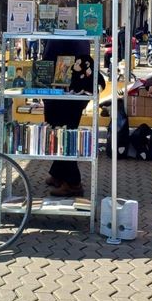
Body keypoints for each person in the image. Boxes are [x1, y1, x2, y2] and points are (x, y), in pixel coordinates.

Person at [41, 38, 104, 197]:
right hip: (62, 88)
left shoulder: (70, 33)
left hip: (69, 90)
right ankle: (58, 173)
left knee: (63, 134)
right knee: (58, 130)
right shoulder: (68, 33)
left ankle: (73, 182)